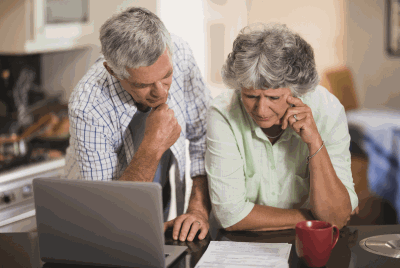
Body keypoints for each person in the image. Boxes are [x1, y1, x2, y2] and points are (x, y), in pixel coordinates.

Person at [65, 7, 212, 241]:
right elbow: (110, 217)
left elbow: (203, 134)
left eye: (166, 76)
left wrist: (197, 209)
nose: (161, 93)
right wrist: (152, 146)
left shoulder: (180, 51)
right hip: (93, 225)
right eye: (144, 85)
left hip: (153, 203)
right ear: (112, 71)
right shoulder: (87, 105)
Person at [205, 22, 358, 231]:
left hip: (311, 243)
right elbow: (231, 215)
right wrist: (316, 217)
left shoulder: (328, 110)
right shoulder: (222, 112)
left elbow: (337, 216)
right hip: (239, 244)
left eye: (273, 97)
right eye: (250, 96)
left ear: (297, 91)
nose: (261, 109)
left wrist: (315, 143)